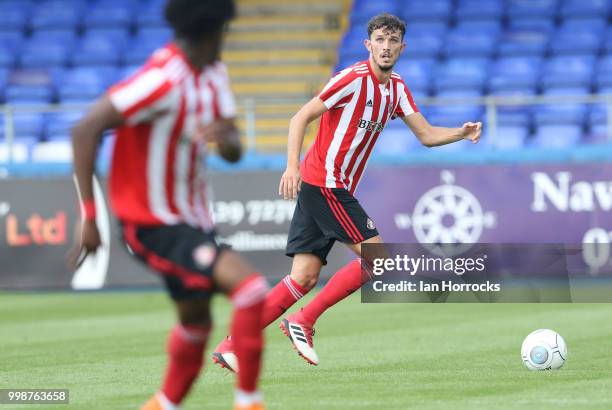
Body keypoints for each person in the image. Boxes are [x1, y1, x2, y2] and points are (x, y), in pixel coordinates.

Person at [212, 13, 481, 368]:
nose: (386, 48)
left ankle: (232, 344)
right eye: (380, 41)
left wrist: (461, 133)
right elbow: (300, 117)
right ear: (368, 45)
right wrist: (291, 165)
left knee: (304, 277)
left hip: (324, 186)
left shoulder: (397, 89)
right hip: (326, 183)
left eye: (392, 41)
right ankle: (302, 321)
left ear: (403, 47)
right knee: (379, 260)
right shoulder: (352, 79)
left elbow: (427, 135)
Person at [69, 1, 268, 409]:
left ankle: (162, 404)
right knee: (249, 290)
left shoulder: (214, 75)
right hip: (151, 222)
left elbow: (232, 149)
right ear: (216, 31)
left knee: (196, 323)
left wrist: (226, 139)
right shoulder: (162, 79)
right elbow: (86, 128)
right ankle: (250, 402)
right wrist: (90, 215)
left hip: (192, 221)